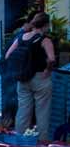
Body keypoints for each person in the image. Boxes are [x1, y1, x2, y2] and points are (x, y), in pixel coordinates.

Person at [5, 12, 56, 140]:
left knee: (23, 111)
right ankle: (41, 143)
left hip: (23, 78)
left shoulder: (21, 37)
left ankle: (20, 141)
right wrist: (48, 70)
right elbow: (51, 59)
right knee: (42, 112)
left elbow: (7, 56)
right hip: (40, 78)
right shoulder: (45, 40)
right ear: (46, 25)